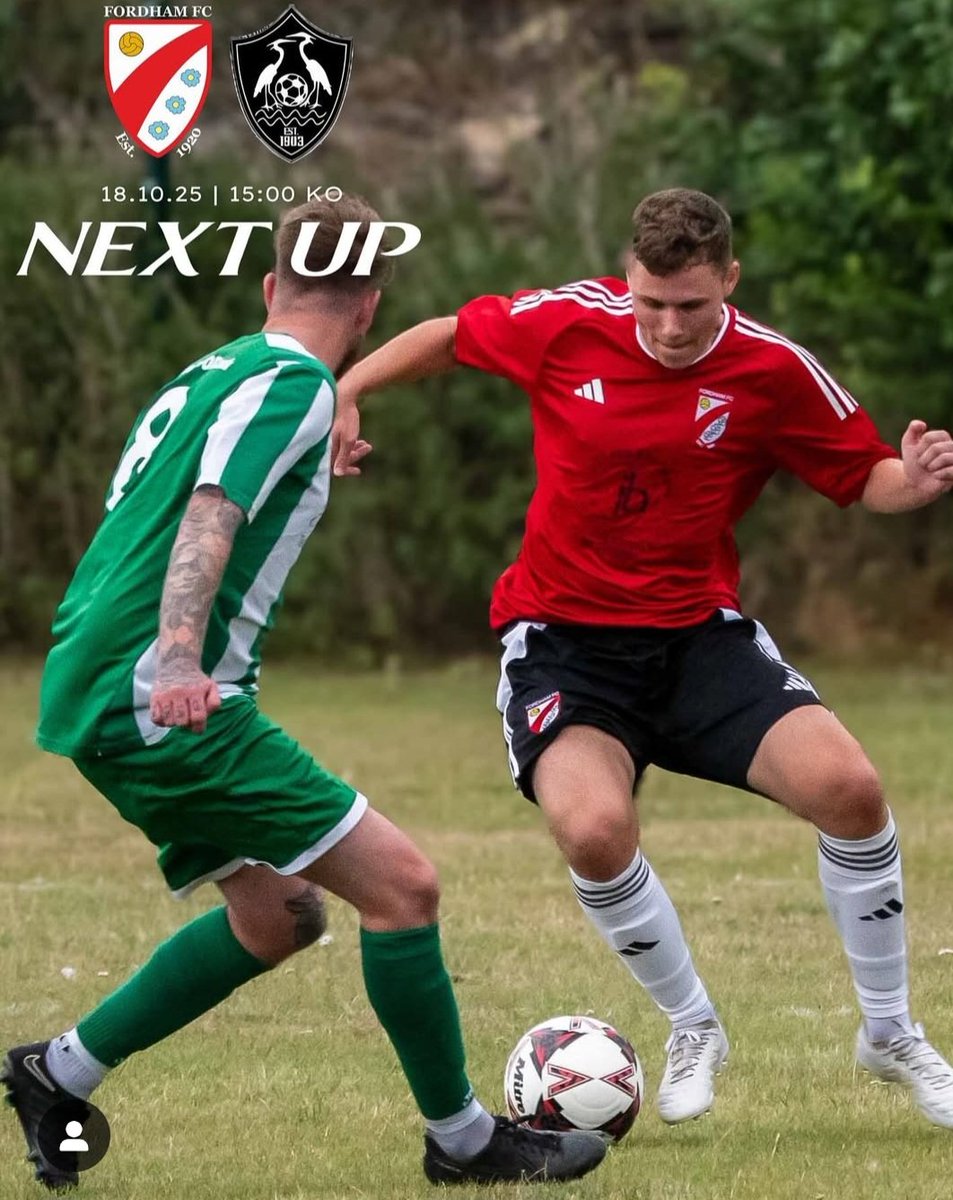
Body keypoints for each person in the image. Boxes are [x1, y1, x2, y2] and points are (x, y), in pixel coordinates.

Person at [2, 194, 607, 1191]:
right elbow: (209, 511)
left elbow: (188, 491)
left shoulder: (225, 369)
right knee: (402, 888)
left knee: (276, 918)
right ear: (369, 308)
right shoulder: (295, 386)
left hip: (97, 678)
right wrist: (184, 657)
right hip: (162, 691)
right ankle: (460, 1141)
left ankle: (55, 1074)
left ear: (272, 285)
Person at [330, 187, 953, 1129]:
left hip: (698, 638)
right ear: (627, 277)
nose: (665, 325)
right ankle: (693, 1025)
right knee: (591, 830)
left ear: (728, 283)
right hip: (564, 647)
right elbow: (453, 333)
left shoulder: (773, 369)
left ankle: (889, 1031)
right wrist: (349, 385)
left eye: (690, 307)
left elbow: (860, 475)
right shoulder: (566, 324)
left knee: (851, 790)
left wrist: (915, 478)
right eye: (650, 302)